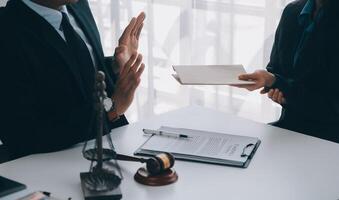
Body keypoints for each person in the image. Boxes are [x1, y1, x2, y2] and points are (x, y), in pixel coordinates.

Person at [0, 0, 145, 159]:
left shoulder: (78, 5)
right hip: (52, 167)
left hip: (115, 148)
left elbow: (74, 75)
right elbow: (22, 135)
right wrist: (110, 110)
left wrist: (116, 65)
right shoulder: (6, 29)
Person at [235, 0, 339, 142]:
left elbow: (332, 106)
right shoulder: (292, 11)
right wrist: (269, 80)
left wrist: (278, 84)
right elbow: (275, 69)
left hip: (329, 139)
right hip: (290, 127)